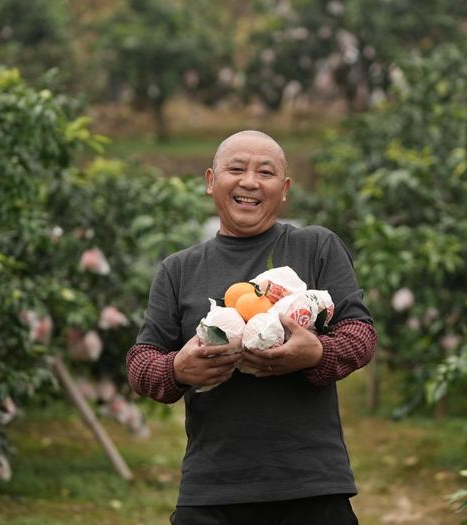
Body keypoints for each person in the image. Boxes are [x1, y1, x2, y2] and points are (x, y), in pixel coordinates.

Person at [126, 130, 377, 525]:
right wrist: (177, 369)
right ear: (211, 181)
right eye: (236, 169)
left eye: (266, 172)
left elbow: (360, 334)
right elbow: (141, 365)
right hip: (213, 488)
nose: (249, 182)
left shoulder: (316, 247)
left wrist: (317, 354)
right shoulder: (179, 270)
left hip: (310, 485)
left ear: (285, 188)